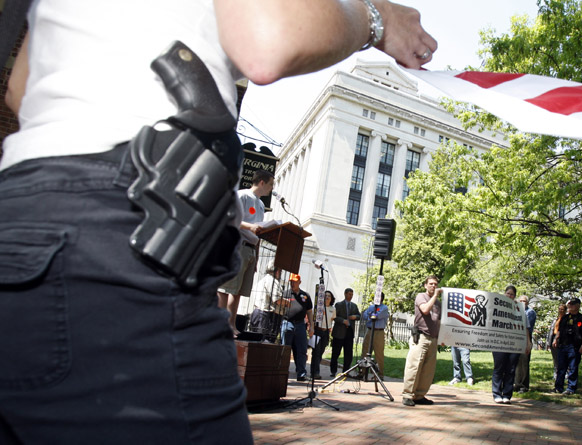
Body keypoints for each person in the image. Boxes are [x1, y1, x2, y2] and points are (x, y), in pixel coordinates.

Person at [0, 1, 436, 442]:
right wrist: (375, 19)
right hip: (129, 220)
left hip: (27, 202)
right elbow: (267, 42)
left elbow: (20, 88)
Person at [217, 169, 274, 336]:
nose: (271, 188)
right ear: (262, 182)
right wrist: (250, 227)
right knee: (226, 288)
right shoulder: (242, 196)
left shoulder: (261, 205)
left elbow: (259, 231)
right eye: (270, 184)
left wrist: (256, 257)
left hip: (251, 250)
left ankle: (231, 324)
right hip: (237, 245)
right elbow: (229, 218)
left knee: (239, 291)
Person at [402, 275, 442, 407]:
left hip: (433, 338)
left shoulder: (439, 304)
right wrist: (435, 296)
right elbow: (425, 310)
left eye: (435, 284)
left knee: (428, 370)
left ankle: (419, 395)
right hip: (421, 337)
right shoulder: (421, 296)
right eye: (431, 284)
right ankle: (408, 395)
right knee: (414, 366)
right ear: (425, 285)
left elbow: (440, 321)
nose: (433, 286)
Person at [491, 286, 532, 403]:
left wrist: (528, 343)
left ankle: (507, 395)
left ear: (515, 296)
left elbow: (526, 328)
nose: (509, 296)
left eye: (512, 294)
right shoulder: (497, 307)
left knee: (511, 369)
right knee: (499, 368)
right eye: (508, 294)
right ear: (504, 294)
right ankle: (497, 394)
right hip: (499, 343)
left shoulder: (520, 310)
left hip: (515, 343)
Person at [553, 297, 582, 395]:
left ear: (578, 306)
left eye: (572, 304)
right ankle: (558, 387)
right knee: (561, 367)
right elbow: (560, 331)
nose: (570, 306)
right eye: (569, 304)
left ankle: (571, 388)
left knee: (573, 368)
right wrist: (556, 339)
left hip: (575, 347)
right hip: (563, 345)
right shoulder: (565, 318)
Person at [281, 274, 314, 382]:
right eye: (291, 281)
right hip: (287, 323)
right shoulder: (285, 293)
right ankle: (282, 371)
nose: (292, 283)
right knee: (285, 348)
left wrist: (311, 326)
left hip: (300, 325)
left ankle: (301, 373)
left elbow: (309, 312)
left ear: (299, 282)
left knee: (301, 350)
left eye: (295, 281)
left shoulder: (305, 296)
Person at [330, 287, 361, 376]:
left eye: (352, 294)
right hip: (339, 332)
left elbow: (359, 316)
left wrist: (355, 317)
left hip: (349, 333)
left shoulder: (354, 306)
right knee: (336, 353)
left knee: (348, 353)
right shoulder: (339, 305)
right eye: (349, 294)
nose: (350, 296)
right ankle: (333, 371)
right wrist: (343, 321)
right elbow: (335, 317)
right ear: (345, 294)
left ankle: (346, 371)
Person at [361, 292, 390, 379]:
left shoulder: (384, 308)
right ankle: (362, 372)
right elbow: (365, 315)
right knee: (365, 351)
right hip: (369, 330)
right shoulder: (371, 307)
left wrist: (371, 315)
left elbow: (377, 316)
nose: (377, 298)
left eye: (379, 296)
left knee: (378, 353)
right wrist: (371, 315)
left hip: (378, 332)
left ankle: (379, 374)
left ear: (382, 298)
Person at [310, 290, 336, 380]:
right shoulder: (318, 308)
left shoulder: (333, 309)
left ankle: (314, 370)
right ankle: (315, 372)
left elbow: (332, 320)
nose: (327, 297)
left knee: (321, 352)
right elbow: (312, 319)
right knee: (316, 353)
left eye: (329, 296)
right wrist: (312, 329)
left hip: (326, 332)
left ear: (331, 298)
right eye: (325, 296)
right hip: (317, 331)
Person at [513, 294, 537, 392]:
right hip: (515, 338)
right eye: (521, 301)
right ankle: (517, 384)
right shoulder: (516, 310)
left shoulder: (530, 312)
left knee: (524, 362)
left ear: (527, 302)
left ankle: (524, 386)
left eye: (524, 301)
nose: (522, 302)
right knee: (516, 362)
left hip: (525, 338)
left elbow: (526, 326)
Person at [548, 303, 567, 381]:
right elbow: (551, 331)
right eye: (559, 309)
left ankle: (565, 375)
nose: (560, 310)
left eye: (562, 309)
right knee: (555, 359)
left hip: (562, 340)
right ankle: (556, 374)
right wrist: (549, 342)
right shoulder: (556, 319)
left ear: (565, 310)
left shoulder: (566, 319)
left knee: (563, 359)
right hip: (554, 339)